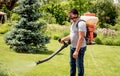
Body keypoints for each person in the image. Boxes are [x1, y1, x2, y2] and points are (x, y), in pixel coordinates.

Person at [59, 8, 87, 76]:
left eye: (71, 16)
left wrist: (77, 51)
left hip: (80, 48)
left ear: (76, 15)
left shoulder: (81, 23)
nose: (70, 18)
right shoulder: (73, 24)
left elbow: (81, 38)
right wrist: (63, 39)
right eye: (69, 16)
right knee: (72, 65)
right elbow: (72, 35)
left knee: (79, 65)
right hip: (72, 47)